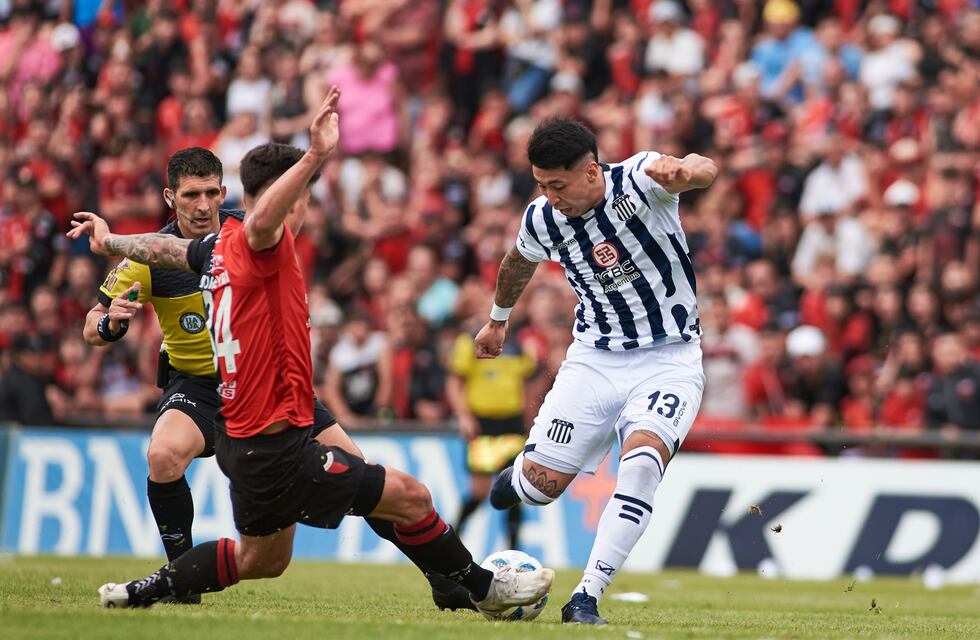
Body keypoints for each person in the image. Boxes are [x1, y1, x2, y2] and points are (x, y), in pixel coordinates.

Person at [69, 88, 553, 613]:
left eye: (213, 194)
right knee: (405, 496)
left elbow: (171, 248)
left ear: (228, 193)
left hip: (260, 411)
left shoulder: (217, 244)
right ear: (171, 198)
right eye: (191, 196)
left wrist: (113, 239)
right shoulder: (258, 239)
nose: (204, 205)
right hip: (240, 408)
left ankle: (148, 590)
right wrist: (316, 155)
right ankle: (484, 590)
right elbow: (109, 311)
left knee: (266, 558)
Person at [477, 119, 715, 624]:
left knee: (644, 462)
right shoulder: (542, 218)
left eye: (557, 185)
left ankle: (586, 596)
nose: (549, 196)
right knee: (541, 488)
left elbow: (700, 170)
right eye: (541, 185)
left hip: (669, 360)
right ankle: (517, 479)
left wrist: (687, 168)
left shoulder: (640, 180)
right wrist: (497, 323)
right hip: (594, 359)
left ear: (590, 171)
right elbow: (517, 263)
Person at [446, 308, 536, 549]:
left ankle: (514, 550)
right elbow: (455, 381)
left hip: (512, 424)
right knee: (479, 491)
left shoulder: (519, 345)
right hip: (482, 424)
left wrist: (530, 418)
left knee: (515, 488)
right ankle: (450, 537)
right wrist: (463, 416)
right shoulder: (469, 341)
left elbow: (528, 383)